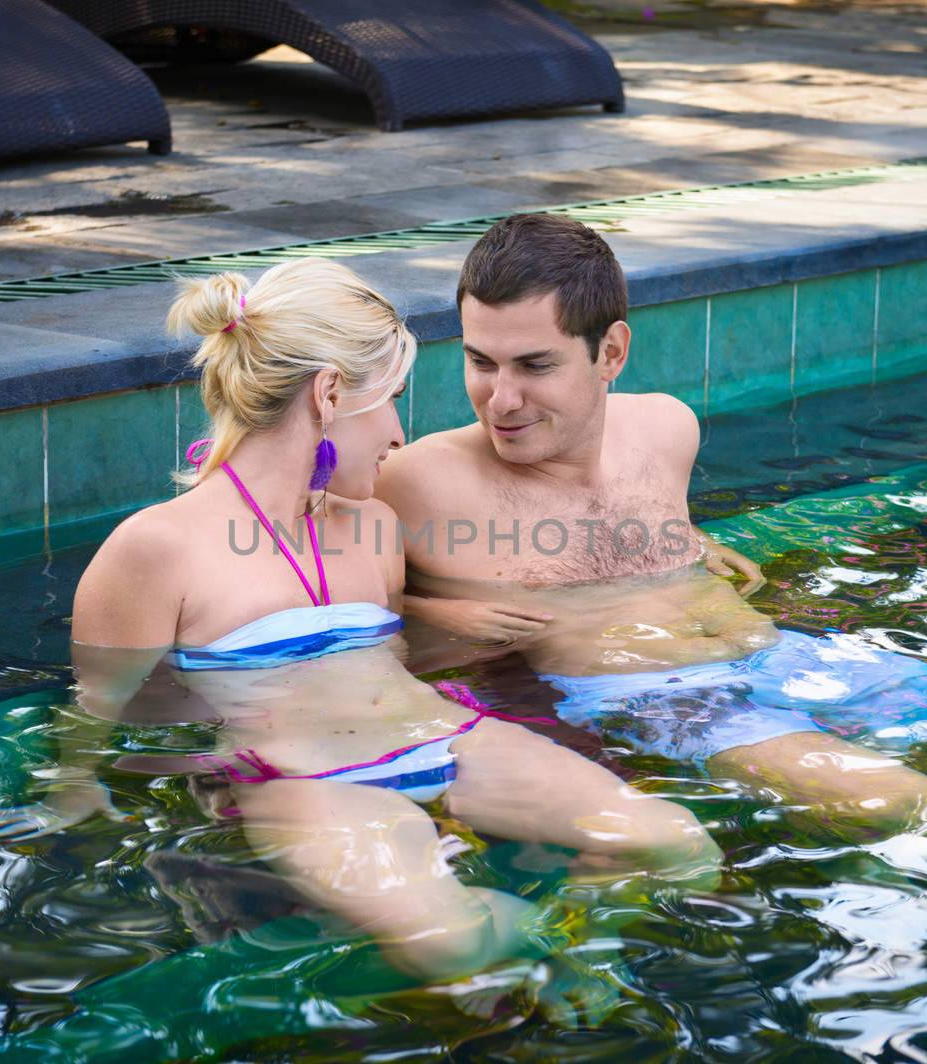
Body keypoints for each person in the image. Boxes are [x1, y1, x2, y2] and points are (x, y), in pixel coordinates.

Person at [41, 257, 718, 984]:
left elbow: (388, 656)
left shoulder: (373, 528)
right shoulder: (157, 548)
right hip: (307, 782)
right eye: (393, 398)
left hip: (448, 737)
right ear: (329, 394)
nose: (400, 435)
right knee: (447, 941)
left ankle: (559, 950)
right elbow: (99, 707)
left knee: (678, 844)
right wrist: (73, 789)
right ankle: (532, 956)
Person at [376, 214, 927, 819]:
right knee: (919, 808)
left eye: (534, 365)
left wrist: (687, 540)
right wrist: (440, 608)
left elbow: (597, 528)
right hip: (664, 700)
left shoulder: (667, 428)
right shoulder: (419, 481)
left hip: (785, 657)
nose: (500, 399)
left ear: (610, 352)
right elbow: (309, 598)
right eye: (481, 361)